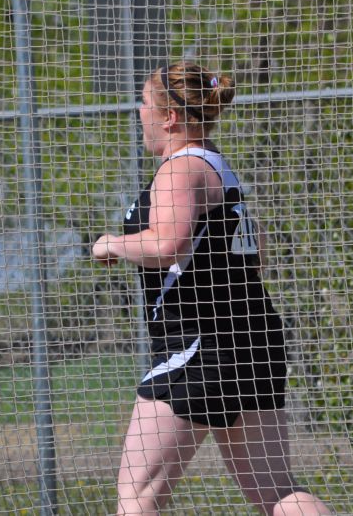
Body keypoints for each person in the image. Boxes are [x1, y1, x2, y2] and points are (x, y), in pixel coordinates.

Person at [92, 62, 333, 516]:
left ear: (169, 118)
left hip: (201, 345)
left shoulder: (180, 170)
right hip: (252, 340)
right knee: (275, 490)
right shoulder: (216, 167)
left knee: (137, 496)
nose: (138, 112)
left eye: (144, 104)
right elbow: (255, 251)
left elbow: (168, 243)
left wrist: (113, 244)